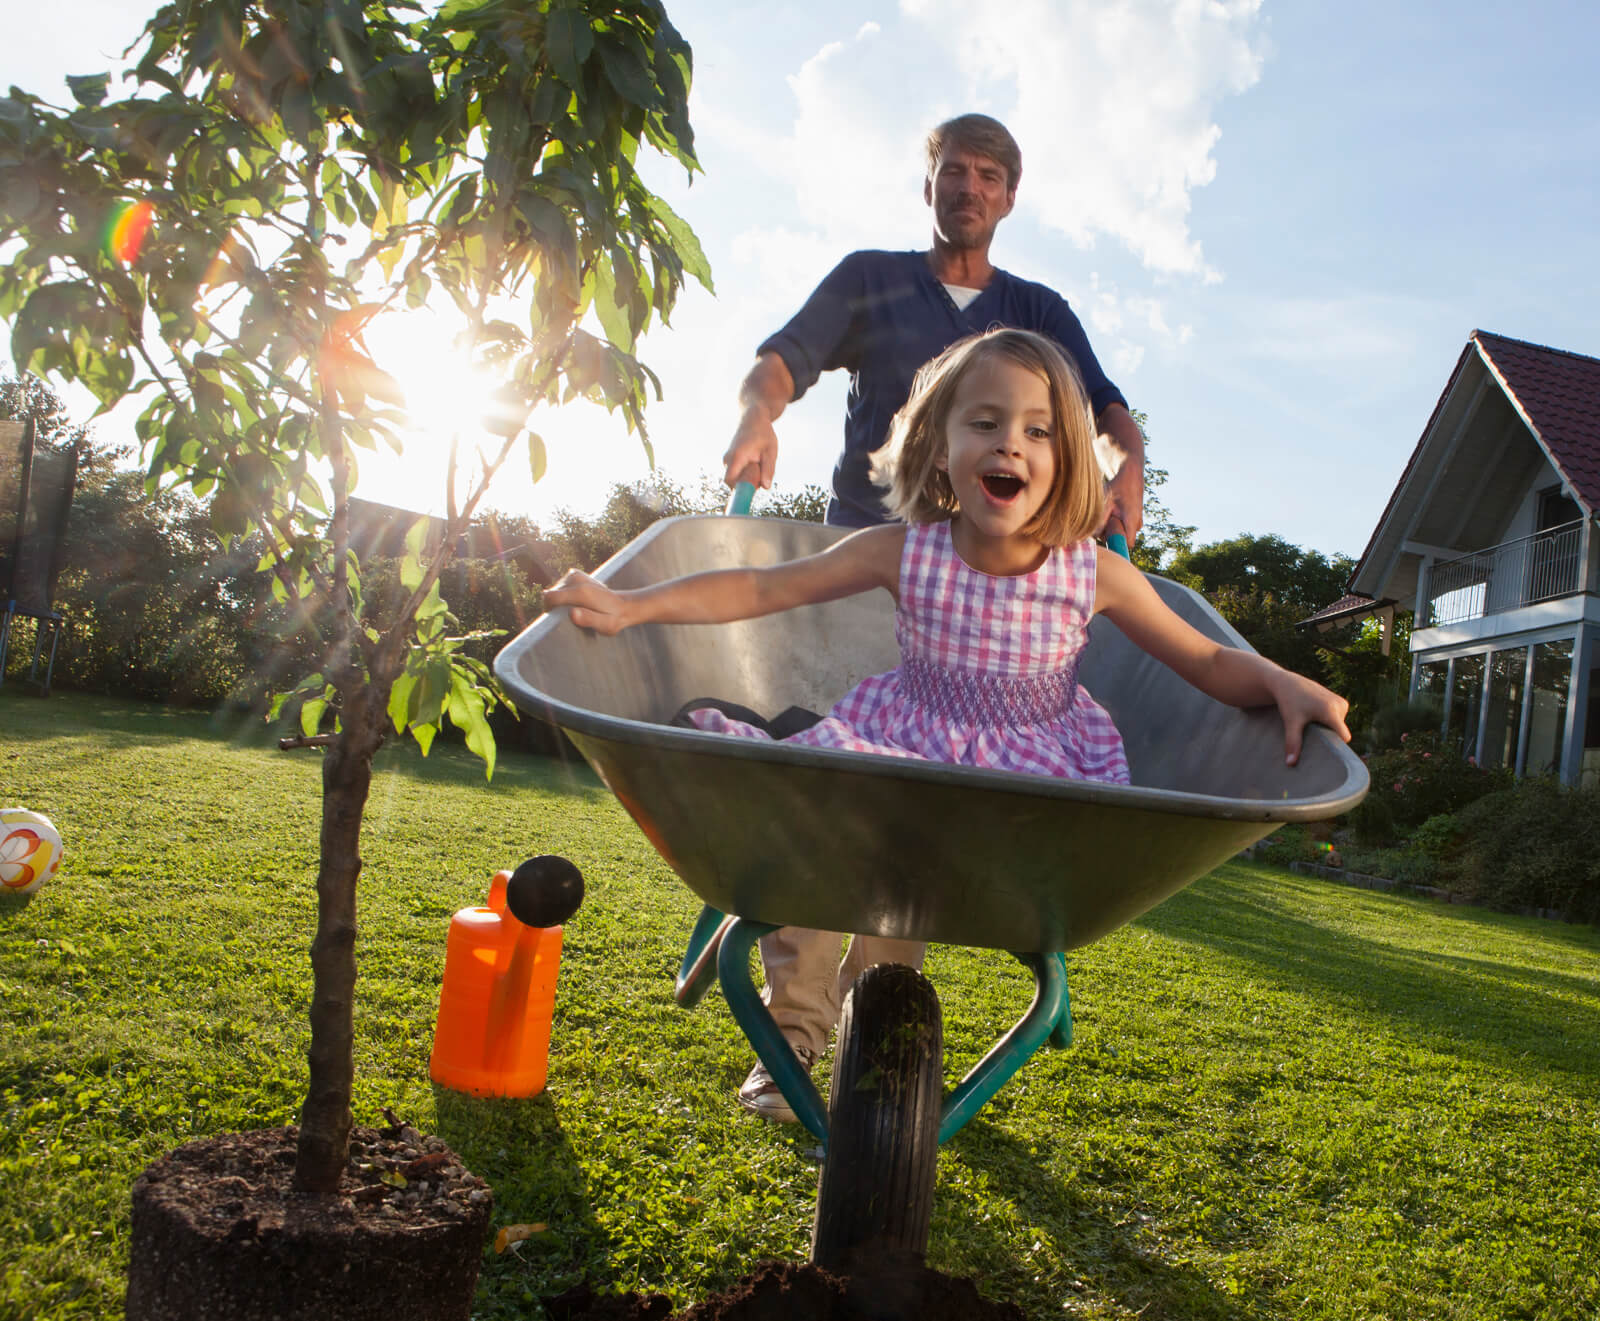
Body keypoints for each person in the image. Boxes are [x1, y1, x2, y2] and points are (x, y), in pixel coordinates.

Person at [548, 329, 1352, 1117]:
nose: (1011, 445)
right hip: (904, 742)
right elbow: (764, 591)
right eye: (985, 423)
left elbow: (1205, 662)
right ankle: (794, 1031)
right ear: (939, 449)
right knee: (807, 830)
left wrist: (1280, 682)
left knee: (909, 886)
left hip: (1025, 782)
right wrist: (632, 606)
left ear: (1066, 460)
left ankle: (877, 1024)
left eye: (1038, 430)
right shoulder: (906, 552)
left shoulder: (1092, 573)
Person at [709, 113, 1153, 1121]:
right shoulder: (870, 275)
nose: (970, 188)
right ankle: (794, 1032)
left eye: (990, 175)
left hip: (996, 601)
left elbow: (1107, 409)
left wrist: (1130, 460)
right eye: (955, 170)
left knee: (915, 818)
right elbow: (784, 355)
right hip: (882, 567)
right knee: (846, 792)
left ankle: (880, 1026)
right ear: (931, 186)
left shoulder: (1035, 306)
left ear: (1009, 196)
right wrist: (757, 411)